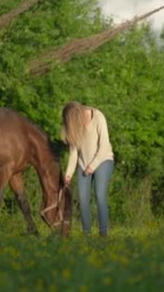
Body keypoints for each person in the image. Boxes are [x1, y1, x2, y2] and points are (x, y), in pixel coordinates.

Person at [61, 101, 114, 237]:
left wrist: (92, 165)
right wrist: (68, 174)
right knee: (83, 200)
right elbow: (73, 153)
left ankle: (103, 234)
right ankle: (87, 235)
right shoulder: (75, 126)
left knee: (100, 197)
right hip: (83, 164)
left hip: (103, 160)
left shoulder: (98, 117)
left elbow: (104, 145)